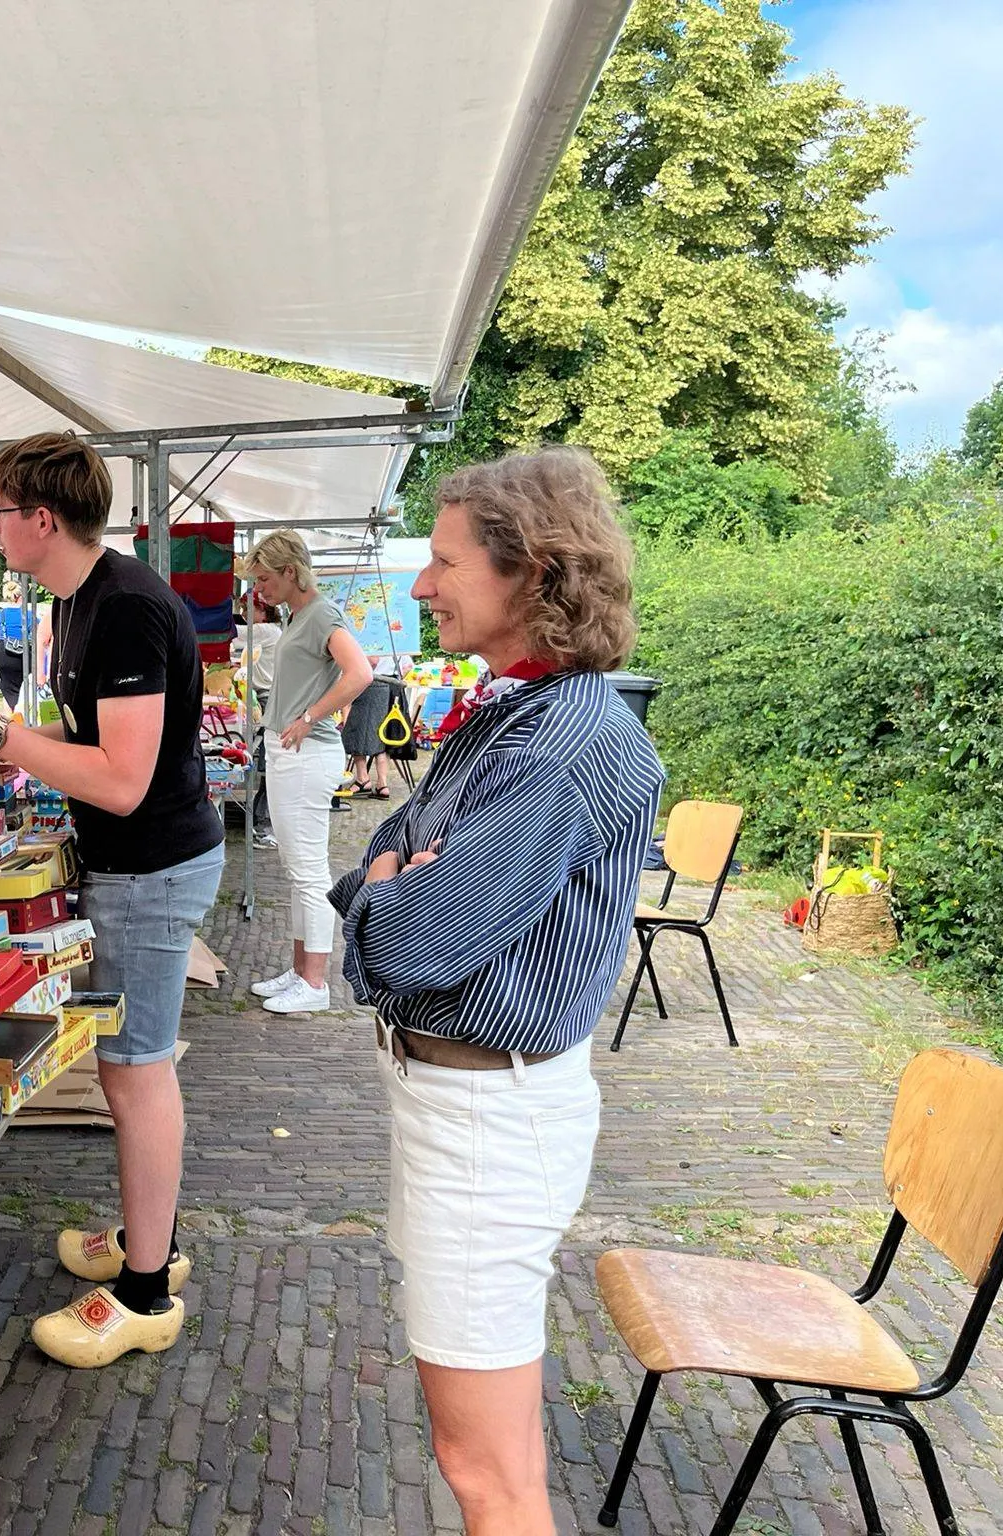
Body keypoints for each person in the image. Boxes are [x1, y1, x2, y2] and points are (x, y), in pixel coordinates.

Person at [330, 448, 661, 1534]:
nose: (421, 587)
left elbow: (414, 937)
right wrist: (389, 886)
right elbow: (378, 858)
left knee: (486, 1476)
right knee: (495, 1455)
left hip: (483, 1122)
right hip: (465, 1105)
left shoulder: (565, 737)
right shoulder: (523, 712)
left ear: (534, 572)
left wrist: (390, 895)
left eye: (441, 561)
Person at [0, 432, 223, 1369]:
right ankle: (151, 1240)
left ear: (39, 518)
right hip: (138, 864)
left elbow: (126, 779)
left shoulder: (126, 608)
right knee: (131, 1069)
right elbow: (94, 734)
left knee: (137, 1071)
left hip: (150, 865)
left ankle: (144, 1290)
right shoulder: (88, 598)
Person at [241, 532, 373, 1016]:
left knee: (309, 873)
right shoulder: (302, 615)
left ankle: (314, 982)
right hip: (288, 749)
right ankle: (301, 972)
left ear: (291, 572)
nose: (260, 589)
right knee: (300, 872)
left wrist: (310, 716)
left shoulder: (321, 614)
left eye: (265, 578)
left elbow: (359, 673)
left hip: (303, 751)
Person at [240, 594, 283, 846]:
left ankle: (263, 825)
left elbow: (233, 636)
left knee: (269, 763)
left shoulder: (265, 630)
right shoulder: (268, 630)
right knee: (269, 762)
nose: (245, 613)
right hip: (262, 696)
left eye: (248, 609)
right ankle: (261, 821)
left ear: (263, 611)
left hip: (265, 698)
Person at [344, 652, 400, 798]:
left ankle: (363, 779)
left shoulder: (372, 635)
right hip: (392, 686)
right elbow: (407, 666)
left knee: (357, 732)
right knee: (381, 736)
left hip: (371, 684)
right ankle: (382, 784)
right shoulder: (394, 636)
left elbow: (373, 661)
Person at [0, 575, 31, 709]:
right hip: (23, 653)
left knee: (6, 690)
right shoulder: (29, 615)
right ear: (21, 596)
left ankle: (8, 721)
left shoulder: (0, 614)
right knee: (25, 688)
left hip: (3, 653)